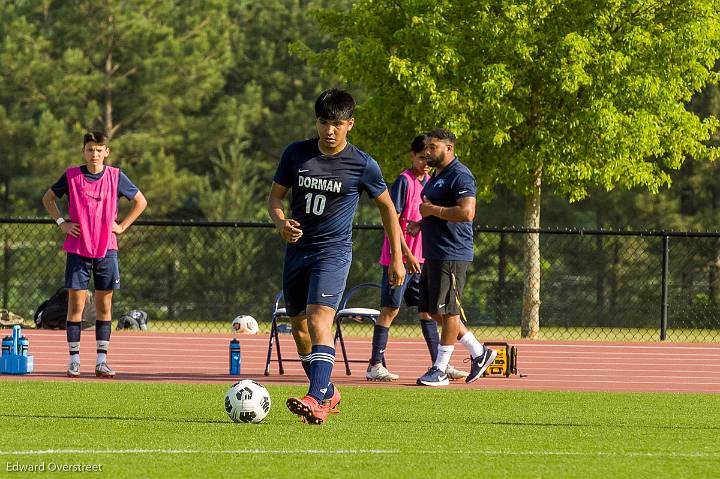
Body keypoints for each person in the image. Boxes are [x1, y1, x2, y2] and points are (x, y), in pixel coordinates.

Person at [268, 88, 406, 425]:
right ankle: (327, 392)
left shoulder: (362, 164)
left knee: (319, 319)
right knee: (299, 328)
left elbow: (388, 208)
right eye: (324, 123)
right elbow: (275, 199)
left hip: (333, 253)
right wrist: (281, 223)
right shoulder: (295, 154)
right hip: (297, 252)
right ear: (316, 122)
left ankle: (315, 398)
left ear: (350, 124)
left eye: (337, 124)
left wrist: (399, 258)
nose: (330, 131)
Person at [42, 131, 147, 378]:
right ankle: (74, 360)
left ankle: (101, 361)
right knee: (76, 306)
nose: (94, 154)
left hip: (106, 250)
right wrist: (62, 223)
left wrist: (121, 227)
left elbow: (141, 201)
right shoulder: (72, 175)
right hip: (78, 249)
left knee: (104, 306)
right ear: (83, 151)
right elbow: (48, 198)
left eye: (99, 150)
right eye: (90, 149)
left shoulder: (116, 176)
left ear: (106, 152)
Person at [367, 135, 468, 382]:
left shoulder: (432, 182)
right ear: (412, 156)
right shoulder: (404, 181)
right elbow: (393, 221)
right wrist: (406, 255)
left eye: (428, 157)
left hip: (423, 260)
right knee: (390, 309)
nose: (425, 162)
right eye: (421, 157)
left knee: (429, 312)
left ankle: (440, 364)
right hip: (400, 260)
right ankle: (375, 365)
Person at [415, 128, 497, 386]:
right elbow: (434, 211)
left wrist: (432, 210)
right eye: (426, 148)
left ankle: (440, 369)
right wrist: (421, 222)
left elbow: (466, 213)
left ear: (449, 148)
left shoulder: (460, 174)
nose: (428, 152)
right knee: (433, 310)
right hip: (434, 252)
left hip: (452, 252)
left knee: (448, 311)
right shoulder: (437, 176)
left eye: (433, 147)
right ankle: (478, 352)